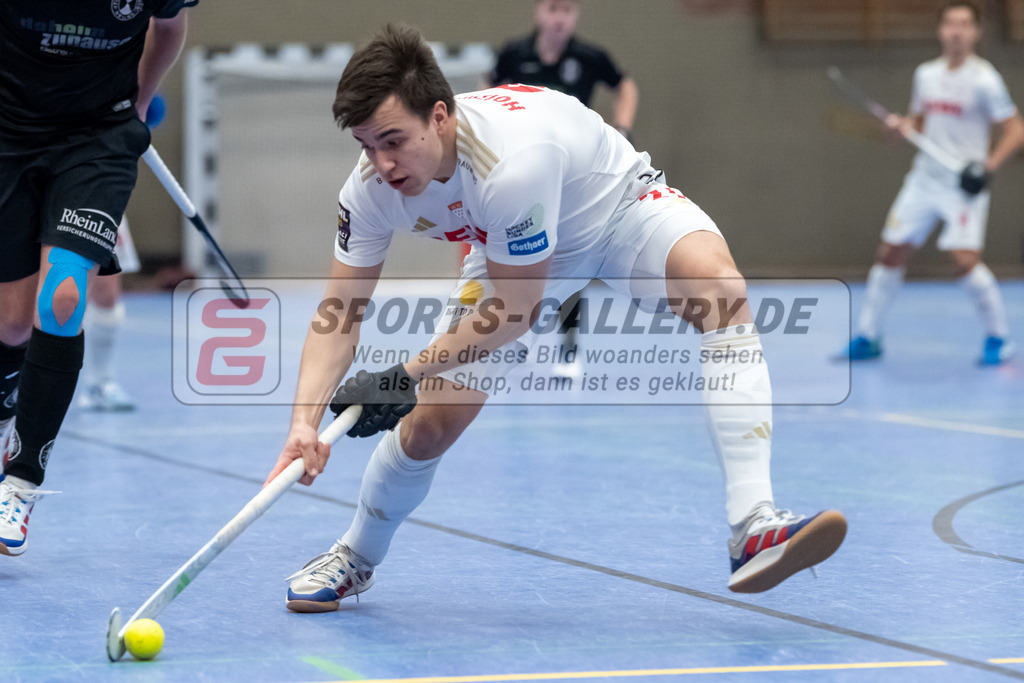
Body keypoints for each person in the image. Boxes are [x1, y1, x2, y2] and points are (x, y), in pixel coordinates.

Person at [265, 24, 847, 613]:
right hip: (506, 249)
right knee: (429, 428)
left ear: (439, 116)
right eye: (366, 145)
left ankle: (753, 525)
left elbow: (517, 311)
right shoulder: (368, 190)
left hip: (616, 210)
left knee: (722, 292)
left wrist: (402, 375)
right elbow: (339, 313)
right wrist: (302, 425)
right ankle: (355, 555)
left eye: (393, 140)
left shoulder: (508, 163)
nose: (382, 163)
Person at [0, 0, 197, 556]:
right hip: (9, 130)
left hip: (97, 137)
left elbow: (170, 25)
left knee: (62, 298)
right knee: (12, 325)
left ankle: (20, 484)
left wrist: (136, 99)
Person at [843, 0, 1024, 365]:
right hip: (925, 178)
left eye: (964, 25)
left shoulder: (984, 80)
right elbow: (919, 124)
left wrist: (987, 167)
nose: (957, 32)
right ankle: (868, 336)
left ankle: (999, 338)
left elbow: (1015, 130)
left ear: (975, 32)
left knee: (963, 260)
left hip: (963, 185)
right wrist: (901, 127)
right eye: (950, 24)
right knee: (890, 251)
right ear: (941, 30)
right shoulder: (926, 75)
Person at [489, 0, 639, 378]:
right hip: (521, 171)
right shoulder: (513, 55)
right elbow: (485, 92)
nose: (559, 18)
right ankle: (505, 338)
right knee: (510, 249)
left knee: (568, 253)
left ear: (576, 17)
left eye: (567, 10)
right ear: (540, 13)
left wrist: (621, 128)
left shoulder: (589, 58)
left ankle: (569, 346)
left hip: (571, 172)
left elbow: (626, 86)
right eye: (553, 9)